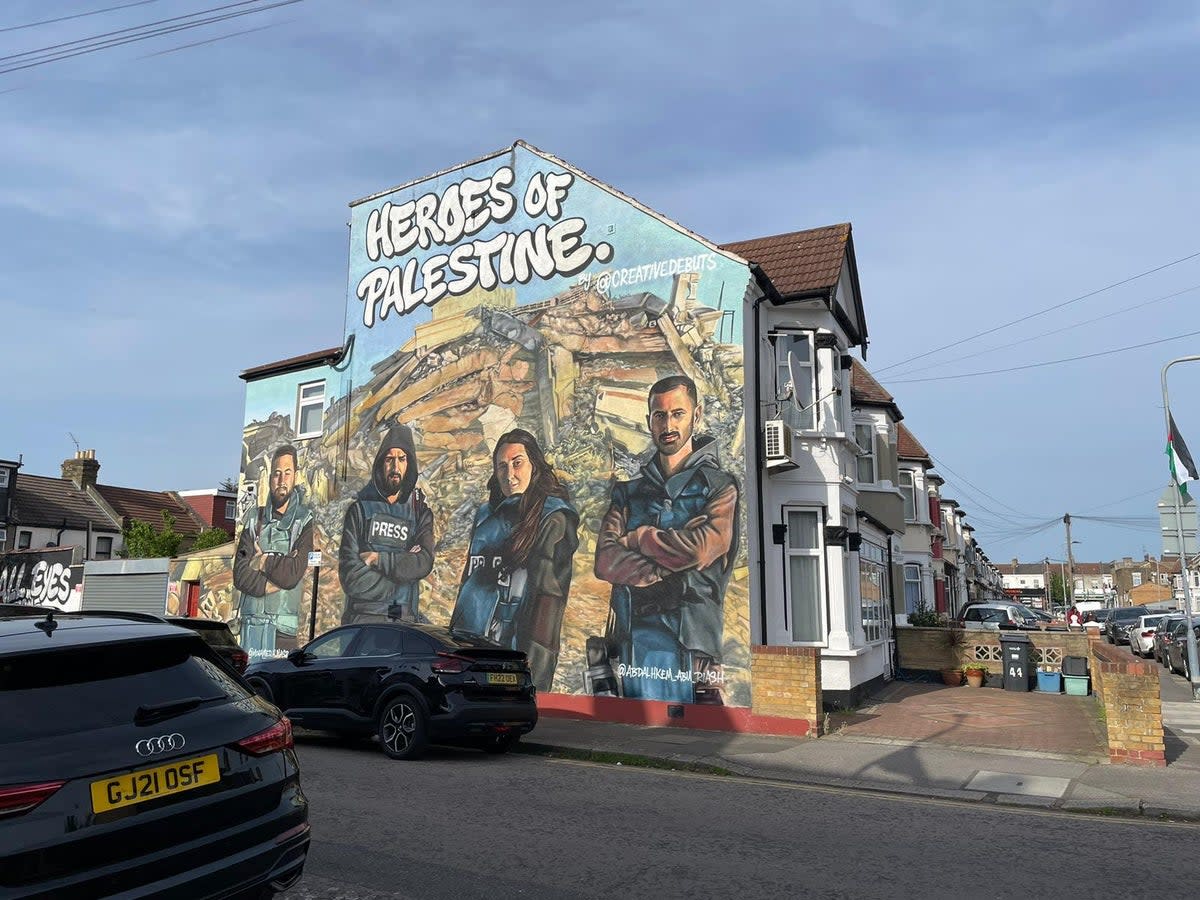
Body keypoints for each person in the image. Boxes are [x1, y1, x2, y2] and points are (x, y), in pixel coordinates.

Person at [591, 375, 739, 704]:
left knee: (697, 728)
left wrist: (639, 538)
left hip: (693, 640)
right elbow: (604, 559)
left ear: (696, 415)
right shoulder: (628, 492)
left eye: (677, 414)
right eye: (659, 415)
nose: (667, 424)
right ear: (649, 421)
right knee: (637, 729)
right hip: (634, 635)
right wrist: (669, 563)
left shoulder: (719, 487)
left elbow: (702, 548)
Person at [450, 429, 579, 692]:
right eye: (502, 466)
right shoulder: (485, 515)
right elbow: (468, 583)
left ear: (535, 465)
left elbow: (549, 603)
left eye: (517, 463)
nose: (509, 475)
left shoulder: (553, 518)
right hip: (471, 649)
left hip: (513, 657)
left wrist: (534, 679)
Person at [339, 423, 435, 624]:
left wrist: (378, 560)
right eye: (389, 459)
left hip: (403, 620)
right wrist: (403, 574)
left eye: (402, 459)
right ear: (381, 464)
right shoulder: (360, 510)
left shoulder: (419, 512)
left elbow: (423, 562)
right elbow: (352, 577)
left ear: (409, 464)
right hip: (364, 620)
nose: (395, 467)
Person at [233, 445, 314, 658]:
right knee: (250, 684)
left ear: (295, 476)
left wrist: (261, 562)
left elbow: (293, 574)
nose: (281, 479)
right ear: (270, 479)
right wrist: (271, 583)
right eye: (277, 474)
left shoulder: (304, 521)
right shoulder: (253, 519)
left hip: (284, 630)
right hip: (251, 625)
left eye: (287, 473)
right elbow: (240, 575)